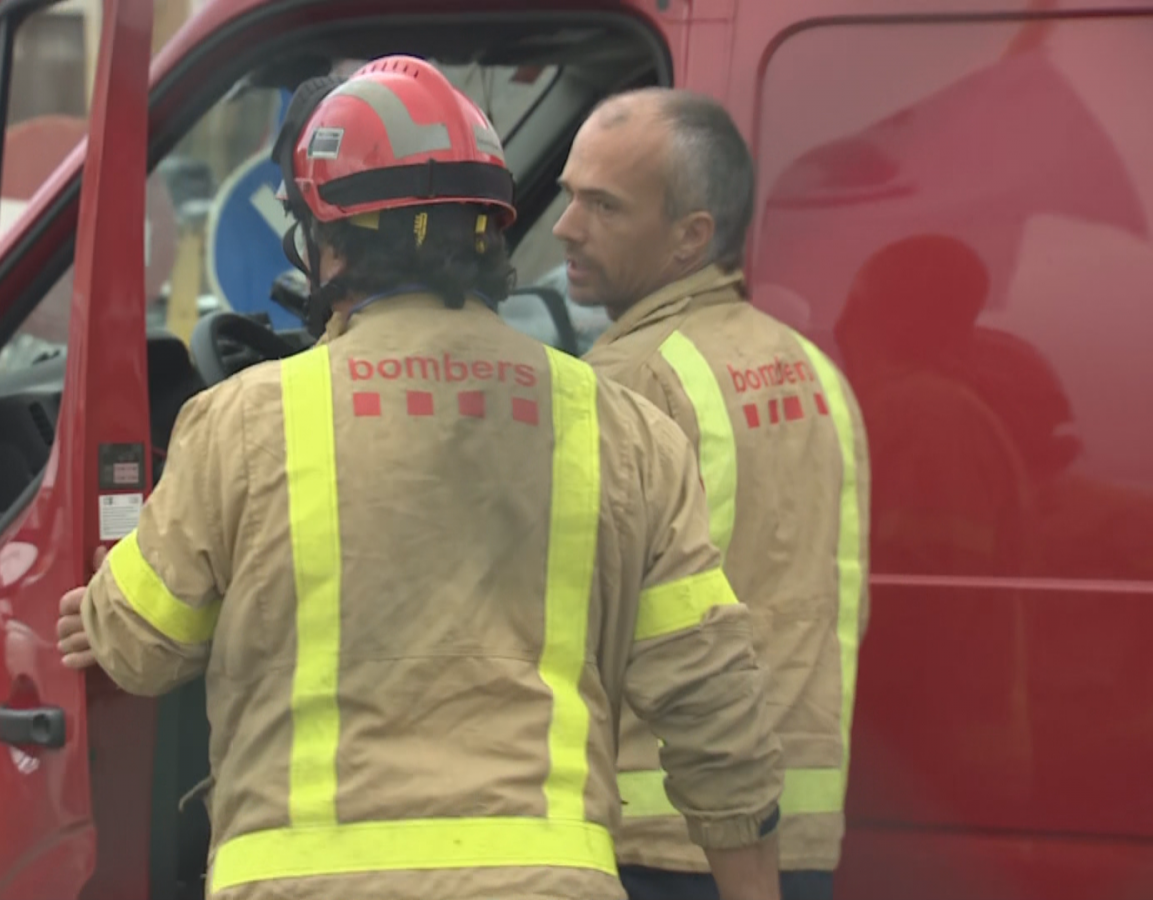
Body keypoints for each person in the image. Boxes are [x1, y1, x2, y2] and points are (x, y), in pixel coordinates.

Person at [57, 59, 785, 900]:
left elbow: (144, 647)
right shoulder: (619, 426)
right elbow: (712, 699)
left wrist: (102, 613)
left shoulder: (249, 420)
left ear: (322, 237)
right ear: (489, 229)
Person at [552, 86, 872, 900]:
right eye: (566, 197)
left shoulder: (623, 384)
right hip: (790, 836)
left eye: (603, 206)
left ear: (692, 237)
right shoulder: (815, 372)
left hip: (654, 834)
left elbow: (553, 618)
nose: (565, 228)